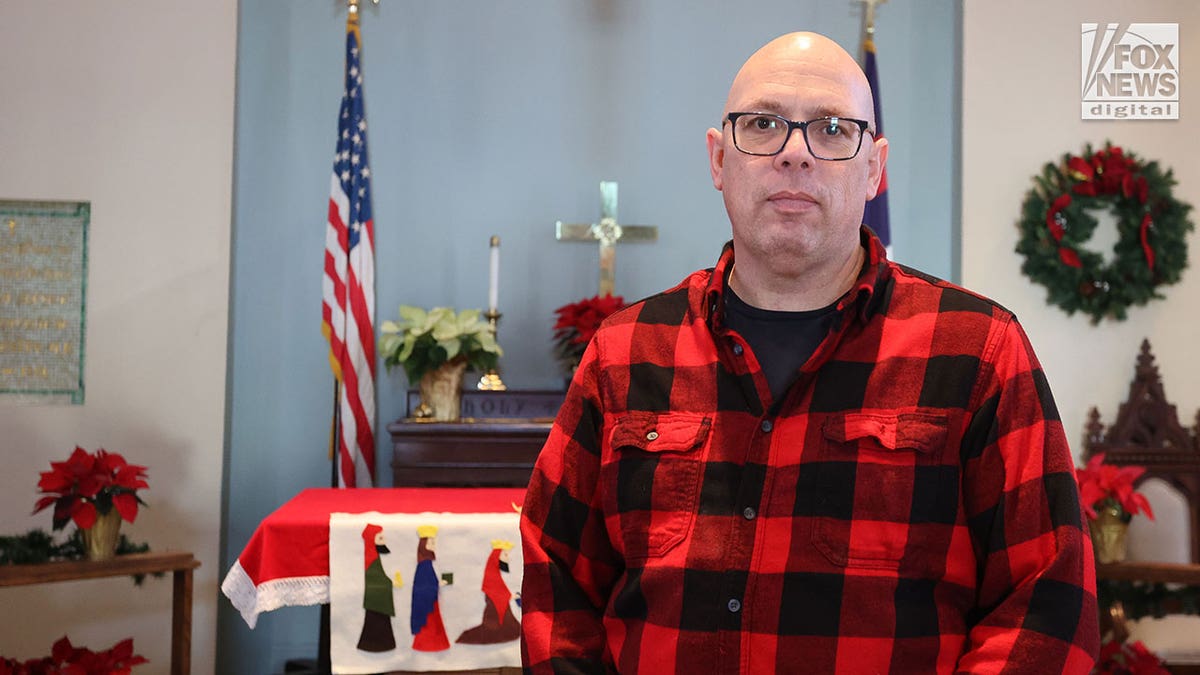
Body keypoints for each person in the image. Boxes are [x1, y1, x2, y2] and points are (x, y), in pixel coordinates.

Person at [520, 31, 1098, 674]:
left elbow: (1048, 605)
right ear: (718, 160)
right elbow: (559, 592)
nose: (795, 155)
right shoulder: (624, 353)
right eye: (763, 125)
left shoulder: (979, 351)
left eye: (830, 130)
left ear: (874, 169)